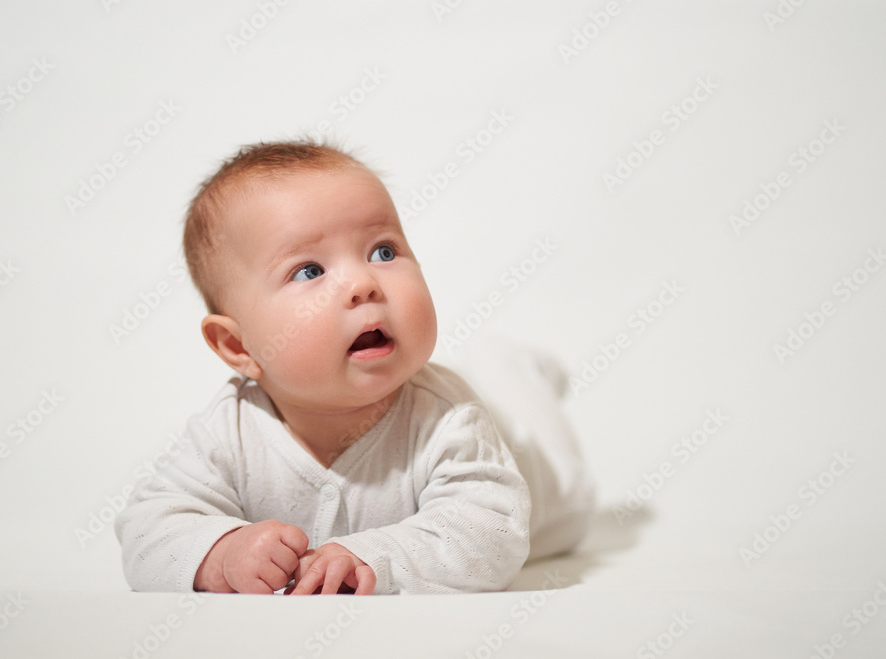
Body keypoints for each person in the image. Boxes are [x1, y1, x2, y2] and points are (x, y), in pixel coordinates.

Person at [115, 140, 594, 595]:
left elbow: (492, 535)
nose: (362, 282)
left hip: (542, 493)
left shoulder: (446, 418)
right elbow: (146, 530)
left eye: (383, 251)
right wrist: (220, 554)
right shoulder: (231, 431)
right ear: (238, 346)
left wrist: (372, 557)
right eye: (309, 270)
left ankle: (512, 369)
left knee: (543, 447)